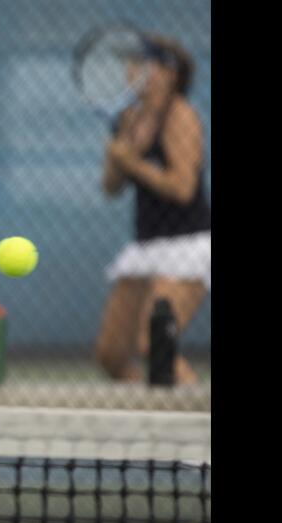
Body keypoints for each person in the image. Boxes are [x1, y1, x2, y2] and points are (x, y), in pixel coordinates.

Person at [92, 33, 210, 385]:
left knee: (153, 345)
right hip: (144, 245)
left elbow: (182, 187)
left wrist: (135, 164)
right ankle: (149, 424)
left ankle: (198, 425)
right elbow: (111, 188)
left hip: (186, 246)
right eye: (130, 63)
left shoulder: (181, 117)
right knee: (110, 354)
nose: (132, 70)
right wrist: (117, 160)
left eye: (142, 62)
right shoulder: (127, 118)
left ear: (167, 72)